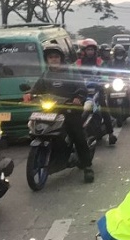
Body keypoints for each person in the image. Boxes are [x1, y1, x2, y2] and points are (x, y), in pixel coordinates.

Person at [24, 44, 95, 183]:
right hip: (51, 110)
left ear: (61, 58)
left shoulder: (71, 72)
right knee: (36, 128)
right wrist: (29, 94)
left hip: (70, 110)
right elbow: (37, 88)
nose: (54, 59)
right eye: (51, 57)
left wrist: (78, 98)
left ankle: (87, 167)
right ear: (47, 59)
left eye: (56, 57)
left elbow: (81, 87)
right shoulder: (46, 74)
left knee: (78, 136)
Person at [76, 39, 117, 145]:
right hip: (82, 91)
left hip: (97, 89)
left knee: (104, 109)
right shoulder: (78, 62)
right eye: (88, 49)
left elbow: (105, 73)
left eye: (92, 49)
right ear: (83, 51)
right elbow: (72, 74)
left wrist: (104, 80)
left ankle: (111, 133)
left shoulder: (99, 62)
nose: (90, 52)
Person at [106, 44, 130, 123]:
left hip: (125, 82)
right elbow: (106, 72)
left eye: (120, 53)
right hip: (113, 83)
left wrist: (129, 75)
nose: (119, 55)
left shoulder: (128, 62)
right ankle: (108, 115)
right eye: (117, 53)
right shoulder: (110, 62)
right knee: (106, 95)